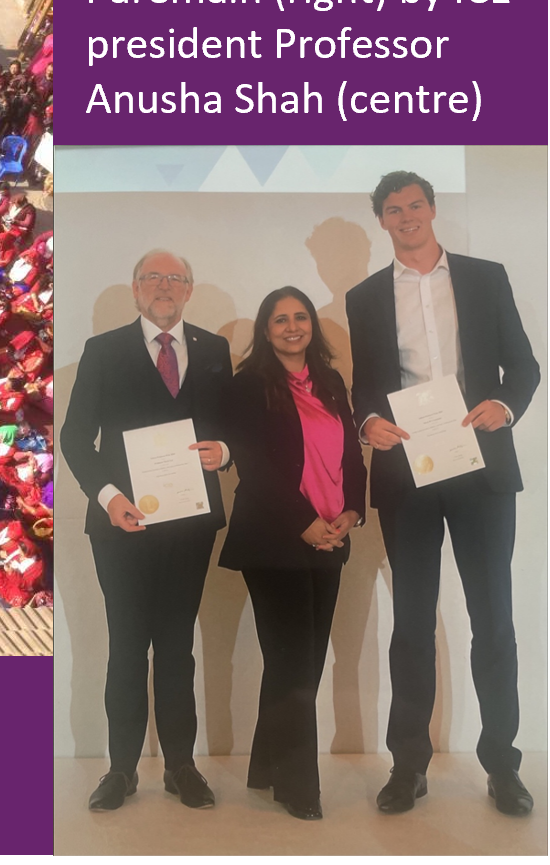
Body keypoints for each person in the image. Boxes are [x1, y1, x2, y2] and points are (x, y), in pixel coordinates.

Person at [344, 171, 538, 818]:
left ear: (431, 209)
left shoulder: (485, 276)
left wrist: (504, 405)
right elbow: (365, 388)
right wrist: (368, 422)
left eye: (415, 205)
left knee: (494, 622)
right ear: (382, 220)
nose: (406, 217)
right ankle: (408, 767)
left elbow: (525, 366)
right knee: (411, 626)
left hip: (482, 468)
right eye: (393, 209)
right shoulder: (365, 296)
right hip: (408, 472)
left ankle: (503, 767)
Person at [59, 248, 231, 812]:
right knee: (128, 646)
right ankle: (122, 770)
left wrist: (225, 451)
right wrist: (108, 499)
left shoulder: (215, 350)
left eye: (174, 278)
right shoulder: (102, 351)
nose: (164, 286)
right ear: (135, 290)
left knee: (178, 647)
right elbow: (76, 439)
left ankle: (181, 766)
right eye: (152, 278)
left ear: (189, 290)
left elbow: (231, 428)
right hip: (120, 526)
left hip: (191, 525)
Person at [218, 287, 367, 821]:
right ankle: (299, 786)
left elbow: (350, 450)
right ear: (265, 329)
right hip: (274, 540)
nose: (291, 326)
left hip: (332, 536)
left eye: (300, 317)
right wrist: (305, 524)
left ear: (312, 326)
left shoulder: (330, 382)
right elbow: (252, 466)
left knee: (300, 662)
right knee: (293, 663)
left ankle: (266, 766)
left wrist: (350, 512)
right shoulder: (247, 386)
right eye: (279, 319)